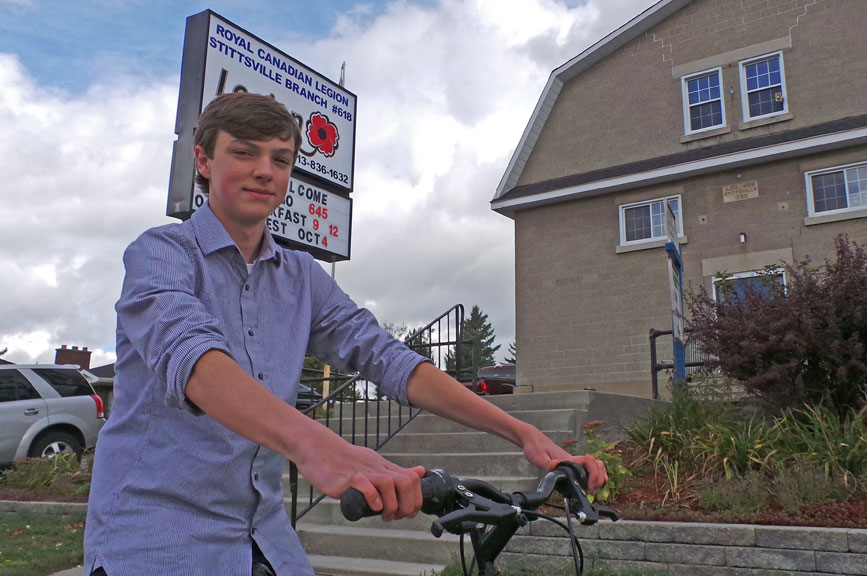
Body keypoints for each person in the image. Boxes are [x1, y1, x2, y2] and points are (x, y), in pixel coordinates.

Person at [83, 92, 606, 576]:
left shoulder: (301, 276)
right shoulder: (162, 253)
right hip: (154, 540)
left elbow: (386, 357)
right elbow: (190, 354)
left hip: (264, 539)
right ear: (203, 161)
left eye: (281, 160)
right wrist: (317, 447)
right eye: (244, 153)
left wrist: (524, 434)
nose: (265, 171)